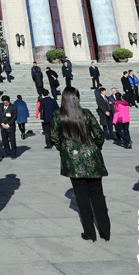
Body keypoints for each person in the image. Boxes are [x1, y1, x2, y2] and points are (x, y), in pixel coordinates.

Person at [51, 87, 110, 242]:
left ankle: (90, 232)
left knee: (82, 198)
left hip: (73, 160)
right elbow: (99, 134)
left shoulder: (58, 115)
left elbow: (54, 137)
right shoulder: (86, 113)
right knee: (97, 195)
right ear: (77, 98)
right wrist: (95, 147)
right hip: (91, 157)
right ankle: (105, 232)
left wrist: (64, 150)